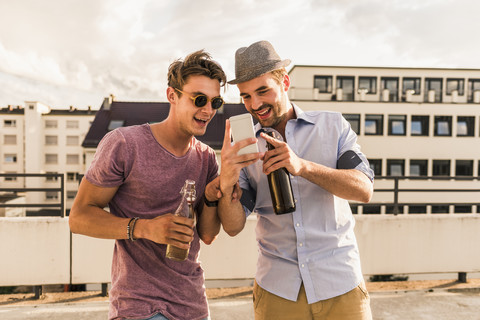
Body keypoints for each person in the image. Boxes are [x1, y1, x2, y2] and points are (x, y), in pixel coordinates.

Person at [69, 50, 251, 320]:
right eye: (199, 99)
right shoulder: (124, 144)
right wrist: (144, 227)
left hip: (193, 306)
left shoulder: (205, 159)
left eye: (215, 102)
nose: (208, 110)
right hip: (138, 307)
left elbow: (208, 235)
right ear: (172, 95)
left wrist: (214, 196)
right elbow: (79, 217)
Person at [218, 40, 375, 320]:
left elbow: (363, 189)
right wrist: (226, 179)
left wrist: (302, 167)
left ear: (285, 82)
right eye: (245, 96)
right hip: (277, 291)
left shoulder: (333, 126)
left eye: (262, 91)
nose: (255, 105)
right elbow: (232, 226)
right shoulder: (243, 146)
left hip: (340, 283)